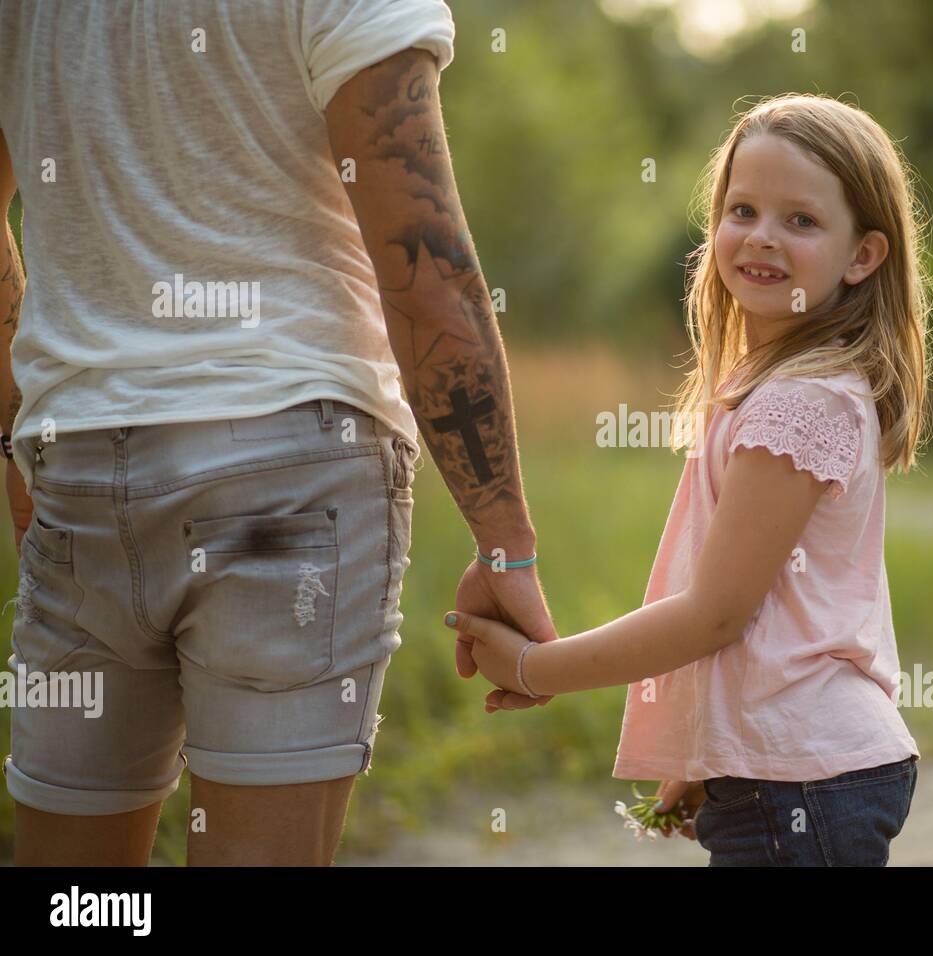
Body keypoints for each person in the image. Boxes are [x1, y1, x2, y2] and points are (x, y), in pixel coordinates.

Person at [0, 0, 554, 866]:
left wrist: (17, 440)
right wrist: (505, 546)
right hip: (295, 465)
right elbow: (426, 263)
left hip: (80, 464)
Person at [446, 93, 933, 866]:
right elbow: (774, 613)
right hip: (790, 770)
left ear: (863, 255)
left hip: (803, 781)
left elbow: (716, 614)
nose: (761, 237)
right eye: (742, 209)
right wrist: (707, 750)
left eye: (801, 220)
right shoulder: (778, 386)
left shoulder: (799, 402)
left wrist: (537, 667)